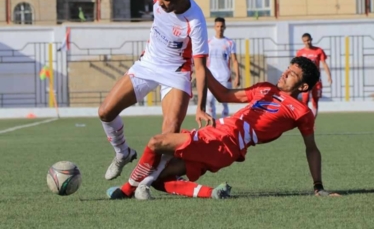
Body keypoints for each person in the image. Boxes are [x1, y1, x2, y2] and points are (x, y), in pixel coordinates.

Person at [107, 57, 339, 200]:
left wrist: (318, 186)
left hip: (223, 141)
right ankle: (213, 193)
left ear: (304, 85)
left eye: (293, 74)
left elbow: (312, 149)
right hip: (220, 140)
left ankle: (126, 190)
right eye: (288, 68)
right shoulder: (265, 89)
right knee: (159, 180)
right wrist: (200, 66)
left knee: (157, 142)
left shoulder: (300, 111)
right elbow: (224, 95)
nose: (285, 73)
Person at [98, 0, 213, 181]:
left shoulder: (195, 21)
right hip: (148, 64)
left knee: (169, 132)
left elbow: (201, 68)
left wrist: (201, 106)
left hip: (176, 73)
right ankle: (123, 152)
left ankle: (147, 180)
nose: (159, 3)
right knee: (105, 112)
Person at [207, 17, 240, 119]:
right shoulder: (208, 42)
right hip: (211, 77)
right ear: (214, 27)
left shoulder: (229, 43)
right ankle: (212, 124)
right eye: (217, 26)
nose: (219, 28)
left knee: (224, 102)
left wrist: (237, 76)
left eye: (221, 26)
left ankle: (223, 124)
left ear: (224, 27)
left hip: (225, 77)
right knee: (209, 100)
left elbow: (234, 60)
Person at [296, 33, 332, 119]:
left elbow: (324, 63)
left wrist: (329, 76)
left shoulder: (318, 50)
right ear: (303, 42)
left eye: (308, 40)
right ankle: (305, 119)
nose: (307, 42)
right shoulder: (300, 52)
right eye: (305, 41)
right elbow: (297, 66)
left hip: (316, 79)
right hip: (305, 79)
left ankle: (312, 120)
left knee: (315, 100)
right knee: (305, 99)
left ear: (311, 39)